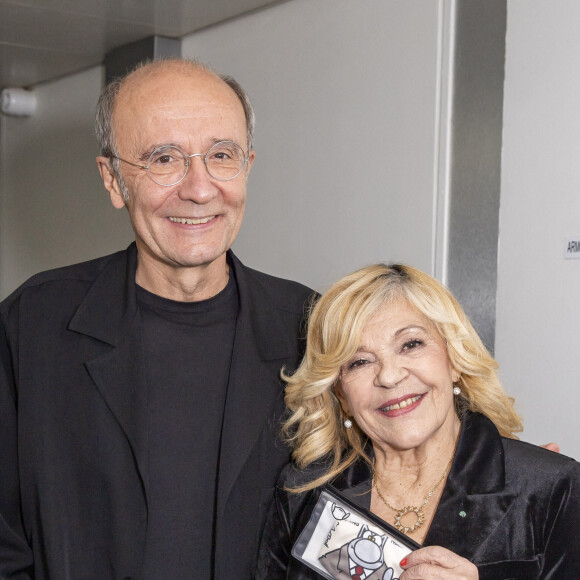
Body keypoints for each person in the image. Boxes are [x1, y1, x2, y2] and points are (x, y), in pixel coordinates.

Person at [0, 59, 314, 579]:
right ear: (113, 180)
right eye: (164, 159)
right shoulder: (32, 324)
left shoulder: (311, 327)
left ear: (248, 166)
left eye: (221, 156)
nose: (199, 188)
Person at [256, 263, 580, 579]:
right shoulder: (303, 491)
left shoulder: (550, 487)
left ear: (454, 359)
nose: (389, 376)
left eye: (411, 344)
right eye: (359, 362)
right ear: (341, 395)